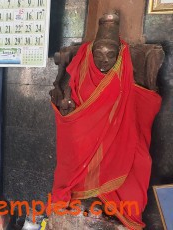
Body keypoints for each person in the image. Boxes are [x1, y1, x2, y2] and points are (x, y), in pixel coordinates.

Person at [49, 13, 163, 230]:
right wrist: (67, 108)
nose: (103, 60)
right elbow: (68, 114)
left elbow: (148, 104)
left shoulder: (125, 75)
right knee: (70, 158)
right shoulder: (81, 72)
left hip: (121, 139)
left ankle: (114, 208)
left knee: (140, 161)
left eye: (110, 54)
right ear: (91, 53)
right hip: (83, 144)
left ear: (119, 55)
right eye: (98, 54)